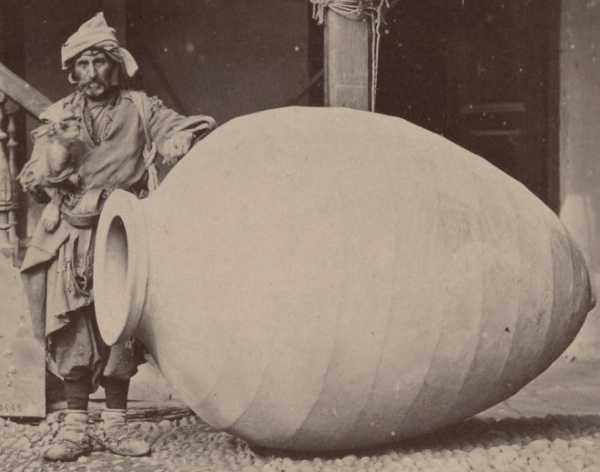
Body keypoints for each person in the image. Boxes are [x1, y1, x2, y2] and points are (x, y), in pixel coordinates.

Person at [17, 12, 216, 462]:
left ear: (117, 65)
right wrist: (57, 154)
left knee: (119, 328)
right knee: (73, 327)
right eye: (82, 65)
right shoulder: (59, 115)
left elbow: (178, 128)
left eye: (100, 62)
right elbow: (34, 181)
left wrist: (176, 141)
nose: (92, 73)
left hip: (122, 233)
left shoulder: (141, 108)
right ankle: (75, 428)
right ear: (72, 72)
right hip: (71, 235)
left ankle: (115, 426)